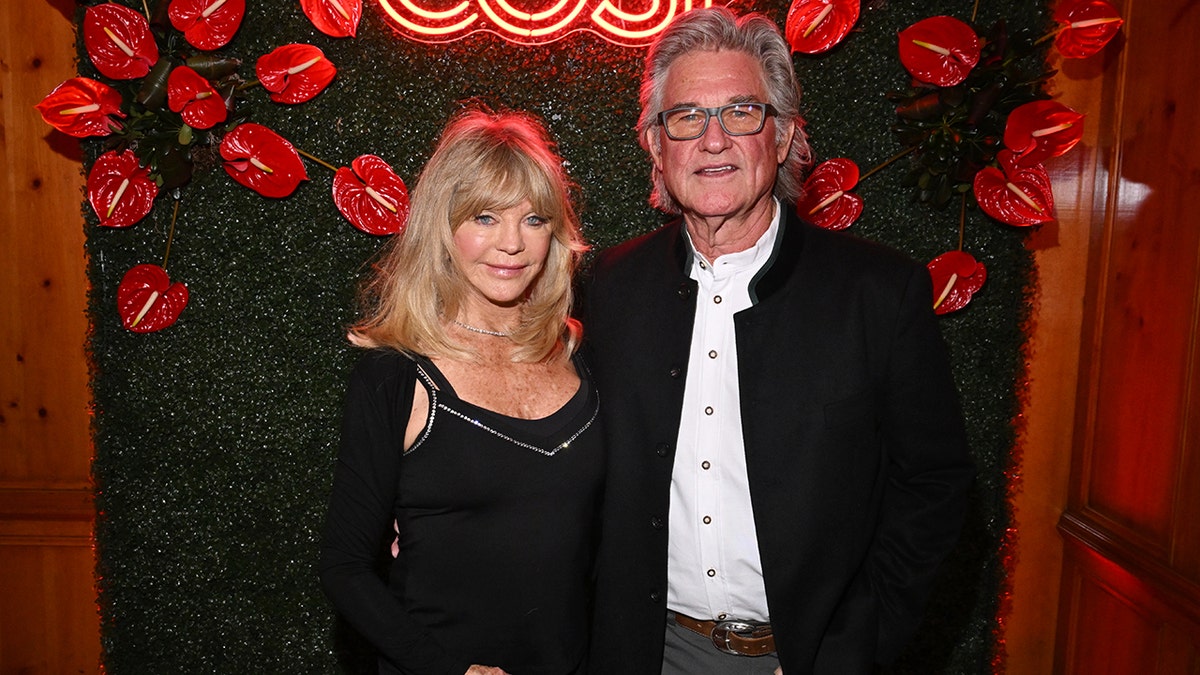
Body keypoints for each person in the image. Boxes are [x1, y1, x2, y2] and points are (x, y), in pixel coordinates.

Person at [583, 8, 975, 675]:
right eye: (686, 117)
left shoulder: (878, 294)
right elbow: (548, 442)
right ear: (655, 143)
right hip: (643, 653)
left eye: (740, 112)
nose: (712, 141)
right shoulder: (604, 288)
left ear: (785, 134)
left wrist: (856, 644)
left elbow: (935, 485)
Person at [319, 108, 602, 675]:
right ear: (442, 227)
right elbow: (345, 567)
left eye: (534, 220)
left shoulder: (581, 355)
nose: (512, 244)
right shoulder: (396, 374)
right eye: (486, 216)